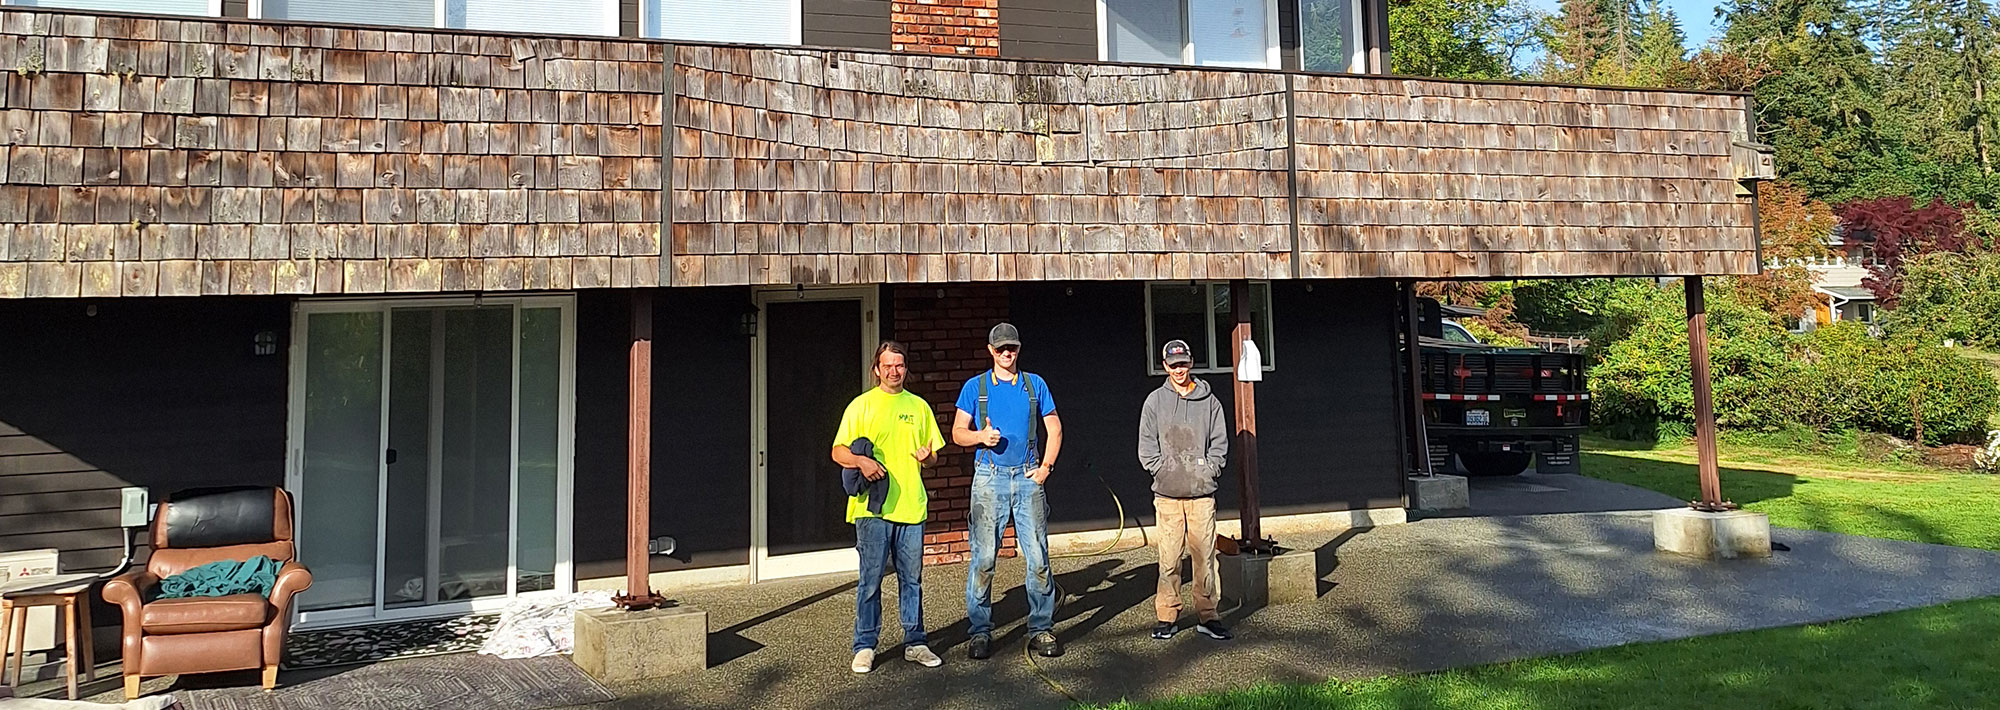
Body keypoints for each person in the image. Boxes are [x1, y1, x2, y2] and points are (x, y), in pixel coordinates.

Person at [831, 340, 947, 673]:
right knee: (870, 581)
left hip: (911, 507)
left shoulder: (919, 407)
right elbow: (838, 451)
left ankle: (916, 642)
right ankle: (865, 645)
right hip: (872, 510)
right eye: (888, 365)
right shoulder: (861, 406)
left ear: (905, 369)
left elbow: (934, 455)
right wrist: (861, 462)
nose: (894, 371)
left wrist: (928, 457)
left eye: (899, 365)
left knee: (912, 581)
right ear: (876, 370)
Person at [951, 323, 1065, 659]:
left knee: (1038, 558)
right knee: (984, 559)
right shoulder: (975, 387)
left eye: (1011, 348)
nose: (1006, 353)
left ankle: (1041, 628)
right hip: (989, 478)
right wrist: (980, 437)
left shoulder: (1035, 384)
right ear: (991, 350)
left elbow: (1055, 429)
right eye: (1000, 348)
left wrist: (1045, 468)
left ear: (1018, 349)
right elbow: (957, 432)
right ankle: (980, 631)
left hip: (1028, 477)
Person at [1137, 339, 1233, 641]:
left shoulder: (1211, 402)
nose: (1179, 369)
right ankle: (1167, 616)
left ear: (1191, 363)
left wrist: (1208, 469)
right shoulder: (1154, 401)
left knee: (1205, 559)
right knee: (1169, 560)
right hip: (1167, 496)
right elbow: (1146, 446)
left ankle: (1208, 616)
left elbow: (1220, 443)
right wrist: (1161, 469)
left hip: (1202, 494)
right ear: (1165, 366)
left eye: (1183, 363)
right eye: (1173, 365)